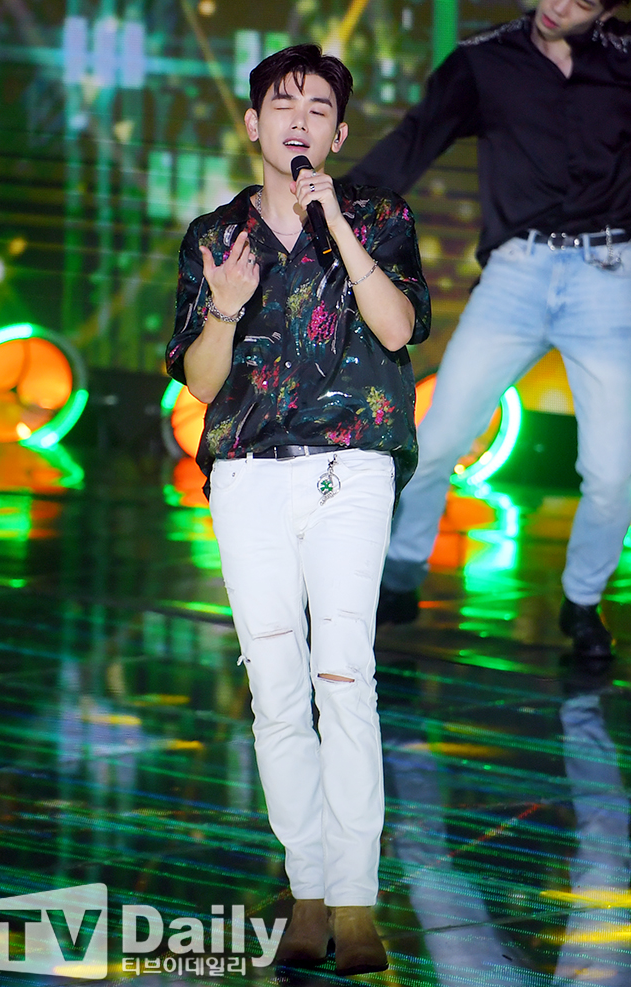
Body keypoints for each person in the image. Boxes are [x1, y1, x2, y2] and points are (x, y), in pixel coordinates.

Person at [166, 45, 430, 975]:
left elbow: (397, 327)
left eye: (319, 108)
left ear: (339, 133)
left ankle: (356, 899)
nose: (299, 120)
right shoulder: (216, 237)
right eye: (283, 104)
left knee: (344, 676)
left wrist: (338, 227)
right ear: (253, 124)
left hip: (352, 466)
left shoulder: (379, 217)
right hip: (249, 473)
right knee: (276, 691)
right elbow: (202, 383)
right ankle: (308, 888)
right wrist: (224, 310)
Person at [345, 0, 631, 662]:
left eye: (582, 1)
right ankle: (401, 574)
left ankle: (583, 603)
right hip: (515, 274)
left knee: (614, 471)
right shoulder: (485, 60)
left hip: (608, 274)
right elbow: (415, 140)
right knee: (437, 439)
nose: (558, 5)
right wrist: (339, 205)